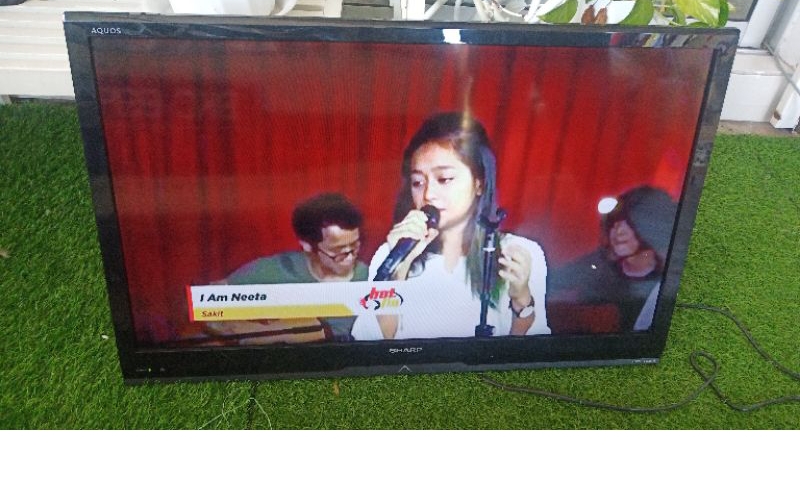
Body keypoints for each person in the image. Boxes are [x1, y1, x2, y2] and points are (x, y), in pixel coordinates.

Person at [352, 112, 550, 340]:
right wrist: (398, 273)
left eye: (444, 179)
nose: (428, 194)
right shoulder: (391, 254)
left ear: (479, 183)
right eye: (418, 182)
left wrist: (522, 300)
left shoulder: (519, 253)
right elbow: (370, 347)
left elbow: (529, 354)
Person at [208, 192, 368, 341]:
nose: (350, 257)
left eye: (354, 245)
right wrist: (247, 332)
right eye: (338, 251)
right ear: (307, 245)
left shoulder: (369, 278)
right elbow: (208, 301)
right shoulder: (275, 268)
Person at [548, 186, 677, 332]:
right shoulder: (597, 265)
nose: (618, 231)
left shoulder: (669, 280)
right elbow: (551, 282)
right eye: (615, 221)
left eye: (631, 223)